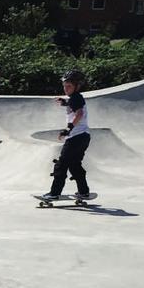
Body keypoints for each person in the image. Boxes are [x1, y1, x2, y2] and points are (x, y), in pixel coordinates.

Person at [41, 70, 91, 201]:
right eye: (64, 86)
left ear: (77, 86)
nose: (65, 88)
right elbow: (75, 106)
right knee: (74, 165)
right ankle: (84, 191)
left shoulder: (75, 98)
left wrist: (68, 129)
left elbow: (79, 114)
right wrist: (65, 103)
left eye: (69, 86)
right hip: (84, 136)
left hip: (75, 137)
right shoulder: (76, 98)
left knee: (61, 165)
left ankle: (54, 193)